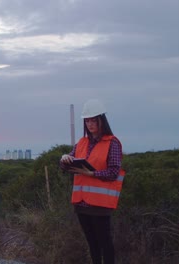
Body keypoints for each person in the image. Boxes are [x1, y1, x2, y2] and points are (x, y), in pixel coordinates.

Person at [60, 99, 125, 264]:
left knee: (105, 243)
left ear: (101, 120)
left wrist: (91, 173)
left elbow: (113, 172)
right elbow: (69, 165)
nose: (90, 124)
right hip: (81, 203)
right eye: (87, 120)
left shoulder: (113, 143)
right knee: (92, 244)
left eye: (93, 120)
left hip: (100, 205)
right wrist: (65, 159)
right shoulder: (82, 142)